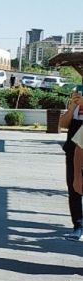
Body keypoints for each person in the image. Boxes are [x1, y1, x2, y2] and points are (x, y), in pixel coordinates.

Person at [60, 87, 83, 240]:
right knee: (73, 187)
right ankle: (78, 225)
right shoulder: (76, 105)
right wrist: (72, 107)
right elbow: (63, 123)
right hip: (73, 150)